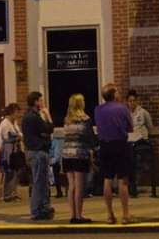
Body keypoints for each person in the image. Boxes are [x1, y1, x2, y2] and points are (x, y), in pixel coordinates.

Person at [95, 83, 133, 224]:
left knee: (107, 179)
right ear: (114, 94)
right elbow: (130, 127)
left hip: (105, 145)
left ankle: (110, 215)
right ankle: (125, 214)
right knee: (123, 180)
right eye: (117, 91)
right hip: (120, 144)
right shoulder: (122, 108)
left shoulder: (98, 109)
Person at [61, 93, 96, 224]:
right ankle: (79, 215)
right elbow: (90, 137)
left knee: (71, 186)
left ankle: (72, 214)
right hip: (80, 154)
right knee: (80, 186)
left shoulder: (66, 120)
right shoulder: (85, 119)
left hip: (66, 154)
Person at [22, 91, 55, 220]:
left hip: (33, 151)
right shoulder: (34, 117)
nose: (42, 103)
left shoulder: (28, 116)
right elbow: (48, 128)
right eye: (41, 100)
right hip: (38, 152)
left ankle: (42, 207)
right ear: (35, 101)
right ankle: (37, 209)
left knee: (41, 181)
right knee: (39, 182)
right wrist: (48, 115)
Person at [126, 89, 154, 197]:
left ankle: (133, 185)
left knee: (135, 159)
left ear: (137, 101)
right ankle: (130, 184)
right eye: (129, 101)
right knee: (129, 160)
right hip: (129, 140)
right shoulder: (126, 113)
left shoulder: (143, 112)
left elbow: (150, 127)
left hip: (141, 141)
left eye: (133, 101)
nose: (132, 103)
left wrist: (146, 136)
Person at [0, 103, 23, 202]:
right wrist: (17, 137)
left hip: (14, 150)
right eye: (16, 112)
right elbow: (7, 137)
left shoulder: (13, 123)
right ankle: (7, 194)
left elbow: (19, 133)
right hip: (7, 151)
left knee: (16, 171)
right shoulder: (5, 123)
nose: (18, 114)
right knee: (9, 172)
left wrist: (18, 136)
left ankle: (12, 192)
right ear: (11, 112)